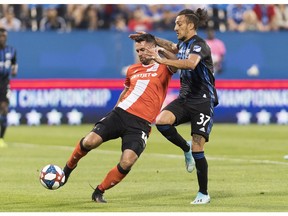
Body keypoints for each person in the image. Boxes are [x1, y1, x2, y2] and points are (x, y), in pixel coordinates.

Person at [61, 33, 179, 203]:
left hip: (141, 124)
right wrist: (114, 110)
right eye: (138, 50)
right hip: (120, 114)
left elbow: (177, 60)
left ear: (152, 48)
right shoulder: (133, 69)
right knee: (89, 142)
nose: (140, 53)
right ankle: (67, 169)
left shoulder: (164, 67)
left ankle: (99, 191)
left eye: (143, 49)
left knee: (127, 161)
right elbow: (126, 91)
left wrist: (159, 50)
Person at [130, 8, 218, 205]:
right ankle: (184, 147)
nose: (175, 27)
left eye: (179, 24)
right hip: (185, 98)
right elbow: (171, 45)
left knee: (199, 146)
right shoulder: (184, 44)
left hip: (203, 101)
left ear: (191, 25)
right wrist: (150, 38)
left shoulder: (200, 45)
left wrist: (163, 59)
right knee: (162, 122)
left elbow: (190, 64)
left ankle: (203, 193)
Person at [0, 27, 18, 148]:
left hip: (4, 82)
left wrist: (13, 70)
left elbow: (14, 67)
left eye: (4, 35)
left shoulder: (11, 50)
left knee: (4, 108)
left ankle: (1, 138)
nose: (2, 37)